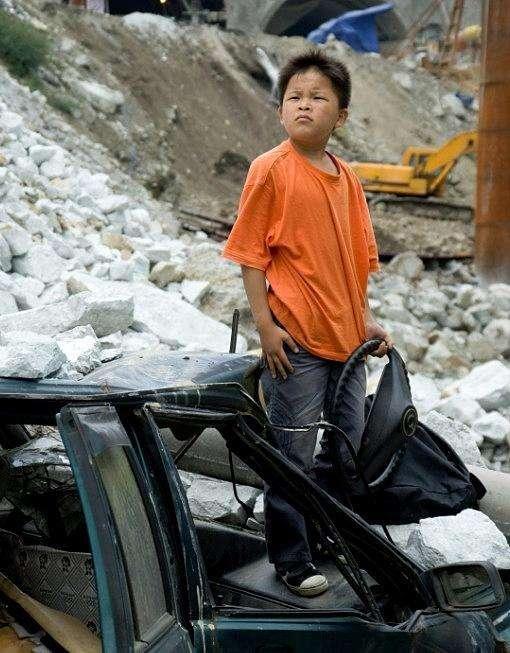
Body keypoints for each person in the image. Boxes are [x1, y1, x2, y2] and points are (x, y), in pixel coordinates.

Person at [222, 49, 392, 598]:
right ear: (280, 110)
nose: (304, 105)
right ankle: (291, 559)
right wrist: (266, 328)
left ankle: (332, 541)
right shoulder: (270, 170)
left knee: (347, 450)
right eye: (294, 96)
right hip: (295, 344)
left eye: (318, 97)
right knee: (291, 453)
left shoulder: (348, 181)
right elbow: (251, 256)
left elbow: (356, 263)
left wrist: (365, 322)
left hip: (347, 347)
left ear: (340, 116)